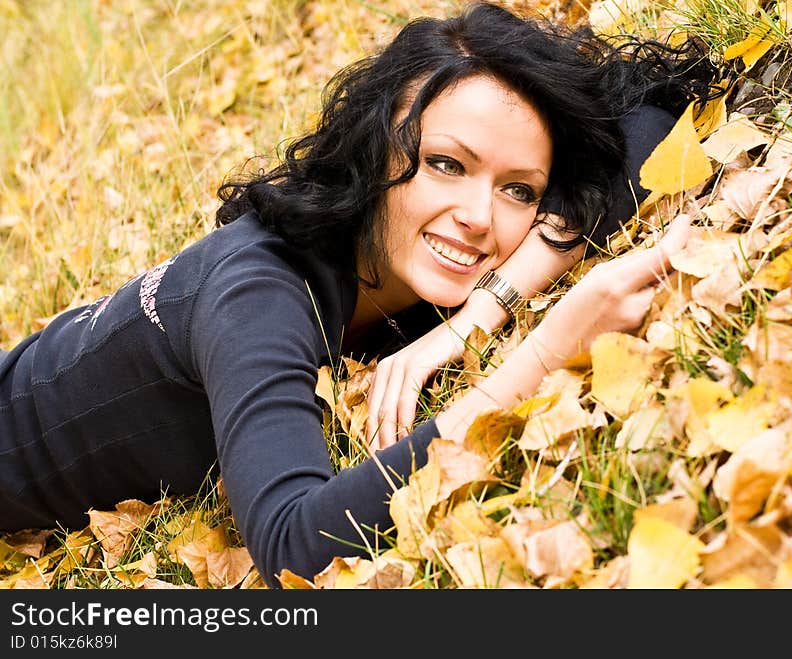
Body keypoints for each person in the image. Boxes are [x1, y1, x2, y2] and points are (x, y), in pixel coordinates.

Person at [0, 1, 722, 587]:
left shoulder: (415, 261)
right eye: (446, 163)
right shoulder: (261, 292)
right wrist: (538, 357)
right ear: (376, 147)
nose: (479, 216)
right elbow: (293, 546)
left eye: (518, 189)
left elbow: (651, 126)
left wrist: (483, 308)